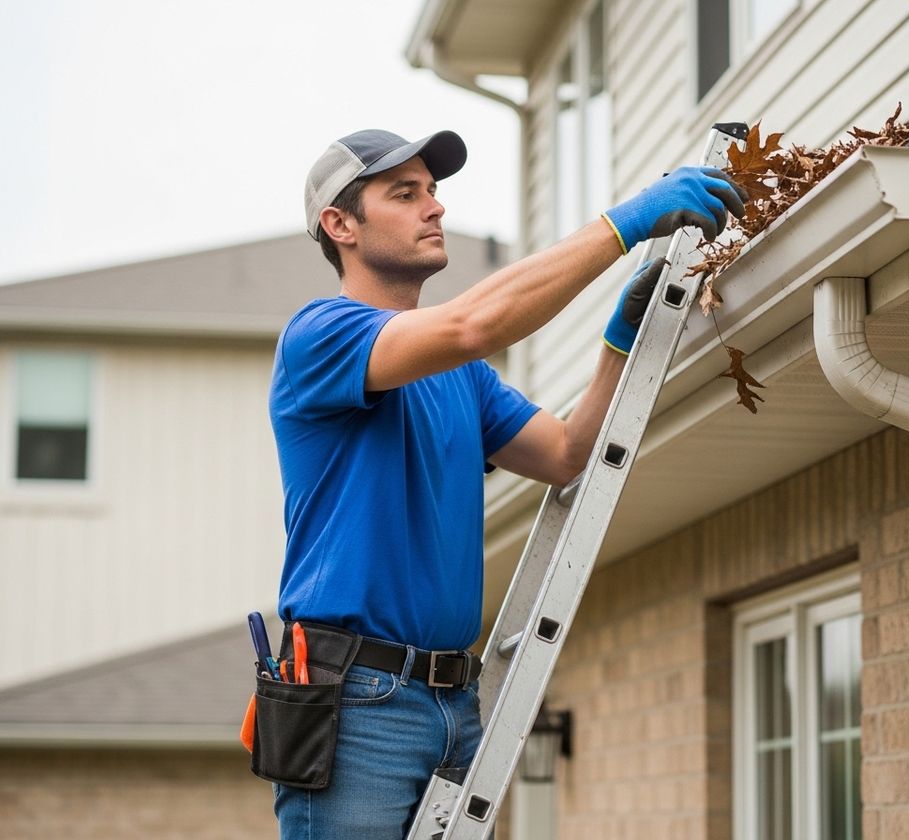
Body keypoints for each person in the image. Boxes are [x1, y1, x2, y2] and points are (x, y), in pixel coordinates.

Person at [267, 127, 745, 839]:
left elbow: (562, 452)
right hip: (356, 703)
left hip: (454, 704)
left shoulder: (459, 376)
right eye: (404, 194)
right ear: (341, 226)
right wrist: (628, 222)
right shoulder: (320, 336)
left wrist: (617, 344)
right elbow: (471, 325)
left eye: (434, 192)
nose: (434, 209)